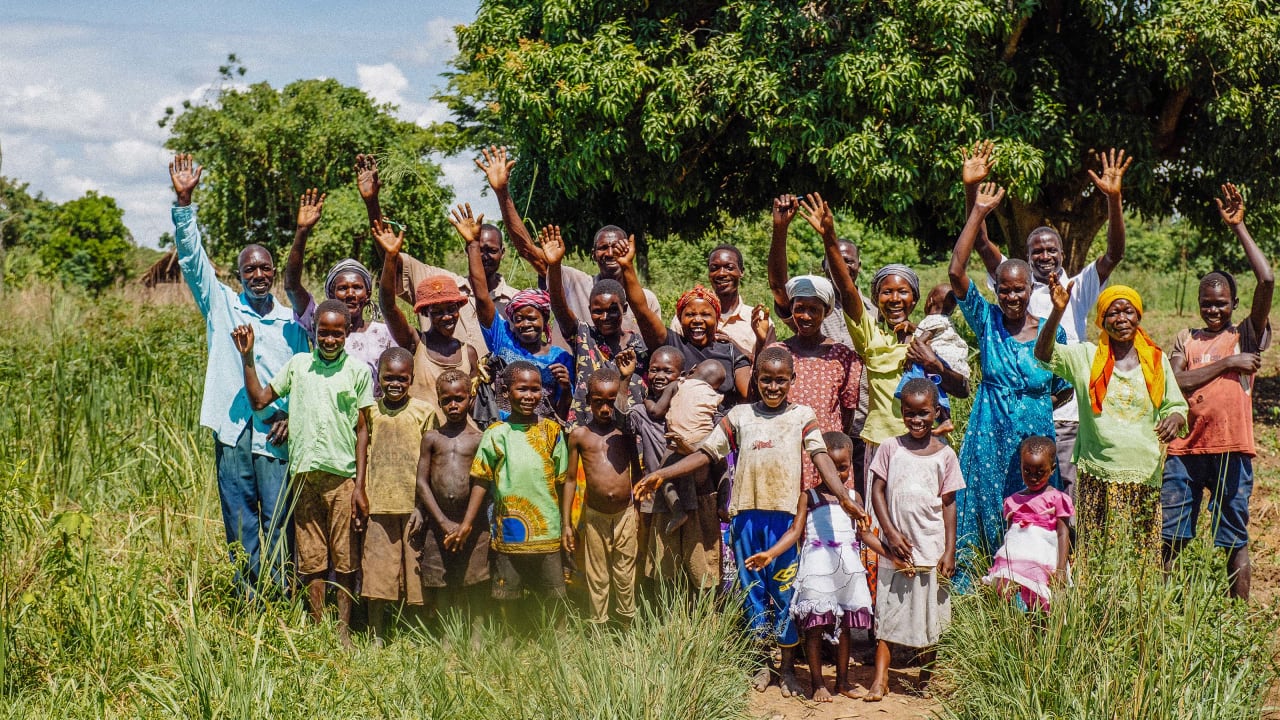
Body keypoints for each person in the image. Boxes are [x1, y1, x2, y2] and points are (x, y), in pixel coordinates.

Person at [637, 346, 867, 698]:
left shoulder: (802, 415)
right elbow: (704, 452)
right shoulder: (741, 416)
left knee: (785, 595)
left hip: (785, 523)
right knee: (752, 594)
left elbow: (820, 456)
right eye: (766, 380)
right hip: (746, 519)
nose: (773, 387)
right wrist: (663, 474)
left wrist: (844, 497)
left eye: (780, 380)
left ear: (792, 380)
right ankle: (763, 664)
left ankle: (788, 668)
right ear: (755, 380)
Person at [168, 153, 310, 599]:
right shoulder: (222, 305)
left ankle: (283, 595)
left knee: (278, 515)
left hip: (274, 433)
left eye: (265, 267)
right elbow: (192, 260)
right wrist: (184, 202)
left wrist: (294, 414)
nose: (259, 275)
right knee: (239, 515)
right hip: (233, 430)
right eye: (250, 269)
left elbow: (305, 375)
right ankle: (250, 597)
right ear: (239, 275)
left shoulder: (291, 323)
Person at [971, 145, 1133, 507]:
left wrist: (1113, 200)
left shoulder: (1077, 288)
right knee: (1017, 497)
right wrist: (974, 198)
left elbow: (1114, 254)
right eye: (1036, 252)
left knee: (1064, 500)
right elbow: (981, 244)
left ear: (1063, 253)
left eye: (1051, 250)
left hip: (1068, 414)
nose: (1045, 256)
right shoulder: (1018, 288)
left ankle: (1066, 562)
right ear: (1025, 261)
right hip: (1020, 410)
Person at [231, 300, 375, 647]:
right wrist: (247, 358)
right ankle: (315, 623)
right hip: (305, 477)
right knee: (311, 558)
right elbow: (260, 401)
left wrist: (360, 486)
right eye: (322, 332)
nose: (329, 339)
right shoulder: (298, 366)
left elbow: (362, 430)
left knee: (344, 557)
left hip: (342, 478)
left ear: (346, 333)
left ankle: (343, 629)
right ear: (313, 332)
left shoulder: (356, 372)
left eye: (336, 333)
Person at [947, 182, 1066, 588]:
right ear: (995, 290)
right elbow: (955, 271)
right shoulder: (988, 323)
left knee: (1033, 515)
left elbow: (1062, 385)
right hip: (988, 435)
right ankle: (972, 594)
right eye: (1004, 289)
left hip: (1034, 439)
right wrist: (977, 211)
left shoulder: (1052, 333)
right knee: (981, 509)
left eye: (1019, 289)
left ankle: (1025, 593)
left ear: (1031, 289)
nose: (1011, 296)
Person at [1161, 183, 1273, 600]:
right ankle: (1166, 612)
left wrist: (1239, 227)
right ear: (1198, 302)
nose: (1213, 310)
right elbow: (1174, 382)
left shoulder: (1246, 334)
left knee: (1233, 537)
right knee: (1172, 537)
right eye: (1207, 303)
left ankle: (1235, 620)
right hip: (1186, 451)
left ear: (1234, 303)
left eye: (1221, 303)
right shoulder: (1183, 339)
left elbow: (1267, 278)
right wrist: (1227, 363)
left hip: (1232, 448)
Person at [802, 192, 969, 473]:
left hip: (930, 447)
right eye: (886, 292)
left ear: (914, 300)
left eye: (902, 292)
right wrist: (829, 236)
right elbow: (846, 289)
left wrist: (934, 364)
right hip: (881, 447)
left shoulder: (934, 335)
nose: (894, 299)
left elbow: (963, 389)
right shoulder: (871, 339)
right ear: (876, 299)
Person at [1035, 276, 1187, 560]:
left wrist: (1175, 419)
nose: (1121, 318)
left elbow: (1175, 405)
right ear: (1102, 320)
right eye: (1112, 312)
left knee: (1141, 554)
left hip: (1144, 471)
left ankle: (1137, 603)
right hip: (1098, 470)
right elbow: (1043, 354)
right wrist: (1057, 311)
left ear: (1138, 316)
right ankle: (1097, 604)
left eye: (1128, 311)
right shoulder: (1086, 357)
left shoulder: (1156, 360)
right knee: (1095, 550)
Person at [471, 145, 662, 347]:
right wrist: (502, 193)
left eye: (618, 246)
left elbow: (656, 344)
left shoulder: (646, 299)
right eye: (603, 247)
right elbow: (527, 250)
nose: (610, 252)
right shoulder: (576, 282)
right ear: (593, 255)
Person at [355, 153, 516, 357]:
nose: (484, 256)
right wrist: (372, 204)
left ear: (502, 253)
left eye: (491, 250)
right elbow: (392, 259)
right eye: (477, 248)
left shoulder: (515, 300)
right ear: (468, 249)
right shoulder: (438, 284)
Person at [865, 378, 964, 702]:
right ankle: (880, 680)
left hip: (930, 547)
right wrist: (890, 533)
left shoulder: (945, 454)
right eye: (910, 413)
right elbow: (877, 490)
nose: (917, 420)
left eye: (924, 413)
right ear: (902, 412)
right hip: (897, 551)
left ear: (936, 412)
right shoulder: (891, 448)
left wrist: (949, 550)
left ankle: (925, 678)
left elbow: (948, 504)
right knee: (888, 616)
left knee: (931, 617)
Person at [616, 346, 721, 593]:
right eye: (654, 370)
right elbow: (621, 422)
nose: (660, 376)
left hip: (698, 496)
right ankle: (668, 625)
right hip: (662, 503)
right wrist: (625, 379)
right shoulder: (644, 412)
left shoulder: (703, 409)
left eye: (667, 370)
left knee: (702, 570)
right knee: (665, 572)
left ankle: (705, 624)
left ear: (683, 375)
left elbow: (718, 453)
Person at [456, 203, 575, 421]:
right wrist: (472, 244)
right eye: (518, 319)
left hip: (544, 439)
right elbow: (482, 297)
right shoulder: (503, 340)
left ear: (545, 319)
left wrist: (566, 387)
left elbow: (564, 411)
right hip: (504, 434)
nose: (525, 324)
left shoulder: (561, 358)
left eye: (532, 318)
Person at [470, 361, 571, 615]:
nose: (529, 396)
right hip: (509, 530)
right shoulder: (496, 433)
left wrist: (566, 523)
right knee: (508, 591)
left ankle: (559, 636)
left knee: (554, 592)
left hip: (547, 528)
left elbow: (562, 481)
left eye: (535, 389)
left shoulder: (552, 431)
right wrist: (468, 521)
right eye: (522, 389)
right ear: (505, 392)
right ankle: (509, 635)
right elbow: (482, 478)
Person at [787, 431, 880, 703]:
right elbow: (795, 532)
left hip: (847, 569)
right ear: (818, 466)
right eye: (832, 467)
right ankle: (818, 682)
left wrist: (891, 555)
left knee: (847, 627)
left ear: (851, 464)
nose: (838, 474)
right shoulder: (809, 497)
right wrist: (770, 554)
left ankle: (842, 680)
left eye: (844, 467)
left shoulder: (855, 497)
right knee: (815, 627)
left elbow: (865, 534)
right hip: (818, 568)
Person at [358, 348, 439, 641]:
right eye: (388, 378)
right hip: (379, 505)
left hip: (413, 505)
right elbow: (363, 454)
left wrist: (423, 505)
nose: (395, 384)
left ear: (411, 379)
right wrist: (362, 494)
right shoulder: (370, 411)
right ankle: (376, 634)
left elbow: (431, 463)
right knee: (378, 572)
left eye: (401, 379)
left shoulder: (424, 412)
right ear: (378, 377)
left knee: (415, 574)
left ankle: (416, 632)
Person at [284, 188, 397, 392]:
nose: (351, 294)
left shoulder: (385, 333)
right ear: (331, 294)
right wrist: (302, 231)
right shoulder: (319, 323)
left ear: (368, 294)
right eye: (343, 288)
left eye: (357, 287)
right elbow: (292, 286)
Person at [539, 225, 647, 426]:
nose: (605, 316)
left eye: (613, 310)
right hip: (585, 428)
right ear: (589, 310)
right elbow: (560, 308)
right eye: (597, 311)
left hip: (628, 435)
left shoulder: (639, 346)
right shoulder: (584, 336)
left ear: (624, 309)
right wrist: (554, 266)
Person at [371, 218, 478, 413]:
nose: (447, 316)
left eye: (451, 309)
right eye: (437, 311)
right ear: (425, 312)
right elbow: (388, 307)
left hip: (459, 442)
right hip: (420, 440)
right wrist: (391, 257)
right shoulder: (415, 343)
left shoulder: (468, 353)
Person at [561, 368, 641, 626]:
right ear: (588, 402)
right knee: (597, 573)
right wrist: (566, 524)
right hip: (594, 514)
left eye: (611, 401)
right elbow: (570, 479)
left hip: (625, 513)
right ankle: (598, 623)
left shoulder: (625, 435)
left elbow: (637, 475)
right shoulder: (579, 436)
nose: (605, 409)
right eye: (598, 402)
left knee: (624, 570)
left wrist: (638, 510)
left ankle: (627, 621)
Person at [411, 368, 491, 615]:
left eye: (459, 398)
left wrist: (466, 523)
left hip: (473, 523)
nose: (453, 405)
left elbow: (483, 482)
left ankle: (478, 636)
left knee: (475, 579)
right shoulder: (432, 438)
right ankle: (447, 634)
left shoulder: (480, 438)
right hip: (439, 522)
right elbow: (422, 482)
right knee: (441, 581)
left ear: (471, 398)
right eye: (446, 400)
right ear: (438, 401)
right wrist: (443, 522)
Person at [981, 435, 1074, 612]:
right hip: (1016, 563)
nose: (1033, 477)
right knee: (1009, 603)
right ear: (1021, 468)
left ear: (1052, 469)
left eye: (1040, 472)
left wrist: (1061, 569)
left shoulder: (1057, 499)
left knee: (1043, 605)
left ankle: (1043, 637)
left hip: (1043, 561)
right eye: (1027, 471)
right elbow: (1010, 537)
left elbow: (1063, 533)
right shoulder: (1013, 501)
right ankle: (1014, 635)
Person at [647, 358, 726, 534]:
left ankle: (677, 512)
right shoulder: (715, 396)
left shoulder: (678, 384)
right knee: (722, 466)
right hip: (704, 444)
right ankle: (723, 504)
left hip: (678, 441)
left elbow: (656, 411)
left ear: (691, 370)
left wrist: (647, 400)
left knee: (664, 476)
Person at [670, 244, 774, 356]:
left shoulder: (759, 320)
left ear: (741, 271)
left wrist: (736, 348)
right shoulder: (685, 318)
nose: (721, 273)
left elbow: (770, 368)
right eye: (714, 268)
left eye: (729, 267)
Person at [895, 283, 971, 434]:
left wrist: (911, 355)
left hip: (938, 358)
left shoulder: (932, 319)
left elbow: (925, 336)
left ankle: (945, 419)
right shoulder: (944, 320)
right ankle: (944, 419)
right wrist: (912, 327)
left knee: (929, 387)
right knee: (936, 387)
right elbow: (926, 331)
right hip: (950, 360)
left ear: (929, 301)